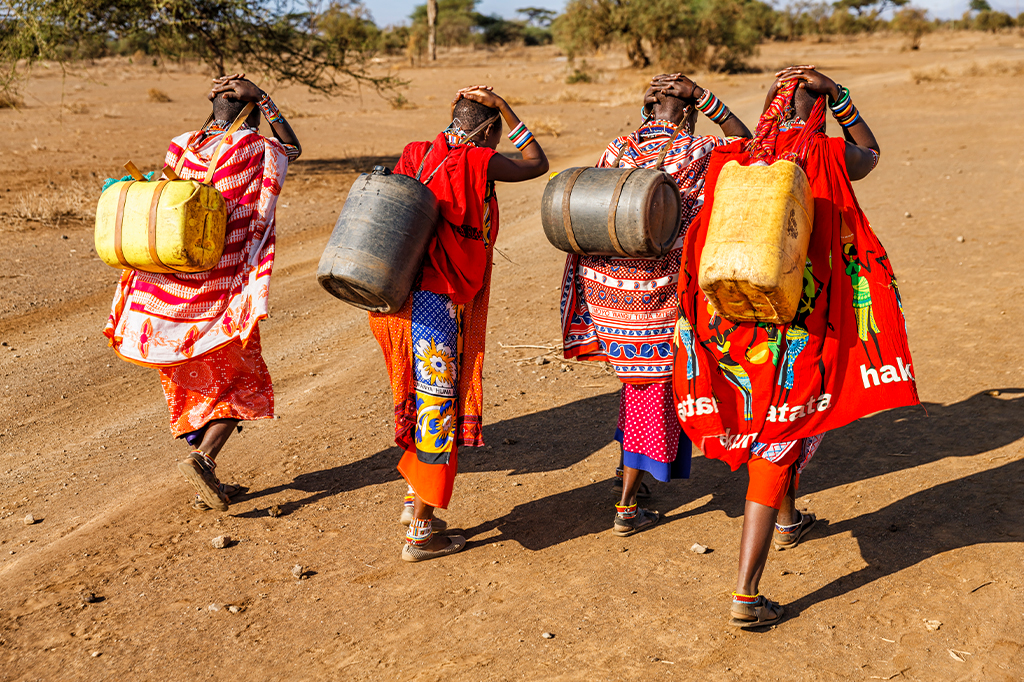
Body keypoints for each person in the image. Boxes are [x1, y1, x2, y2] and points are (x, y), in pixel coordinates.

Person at [673, 66, 918, 628]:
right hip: (797, 330)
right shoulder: (828, 156)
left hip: (732, 325)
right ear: (820, 111)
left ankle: (788, 522)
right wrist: (845, 99)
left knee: (779, 429)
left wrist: (702, 97)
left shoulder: (733, 158)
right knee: (780, 441)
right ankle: (745, 595)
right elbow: (870, 151)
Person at [560, 74, 750, 536]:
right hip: (659, 296)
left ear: (648, 108)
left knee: (636, 388)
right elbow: (745, 142)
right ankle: (626, 505)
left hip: (606, 292)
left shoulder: (618, 146)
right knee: (653, 395)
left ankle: (633, 478)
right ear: (687, 111)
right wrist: (705, 96)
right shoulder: (698, 150)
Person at [104, 75, 301, 512]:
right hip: (220, 295)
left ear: (214, 107)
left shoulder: (181, 146)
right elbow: (291, 150)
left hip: (166, 295)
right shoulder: (256, 149)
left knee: (200, 384)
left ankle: (208, 475)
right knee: (241, 382)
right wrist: (266, 100)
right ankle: (204, 461)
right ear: (249, 110)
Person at [370, 86, 549, 562]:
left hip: (398, 302)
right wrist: (509, 108)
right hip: (439, 303)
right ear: (489, 131)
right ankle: (421, 534)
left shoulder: (416, 152)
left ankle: (415, 502)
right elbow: (536, 163)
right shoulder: (478, 161)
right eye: (495, 130)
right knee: (438, 412)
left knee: (419, 395)